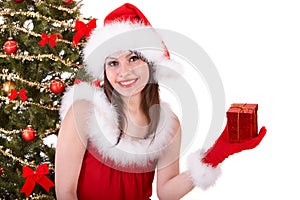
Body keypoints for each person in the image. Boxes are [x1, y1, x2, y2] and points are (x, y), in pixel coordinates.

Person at [55, 3, 267, 200]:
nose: (124, 72)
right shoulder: (84, 112)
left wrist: (216, 154)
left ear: (151, 63)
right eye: (113, 63)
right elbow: (65, 191)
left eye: (133, 58)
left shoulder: (168, 126)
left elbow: (166, 192)